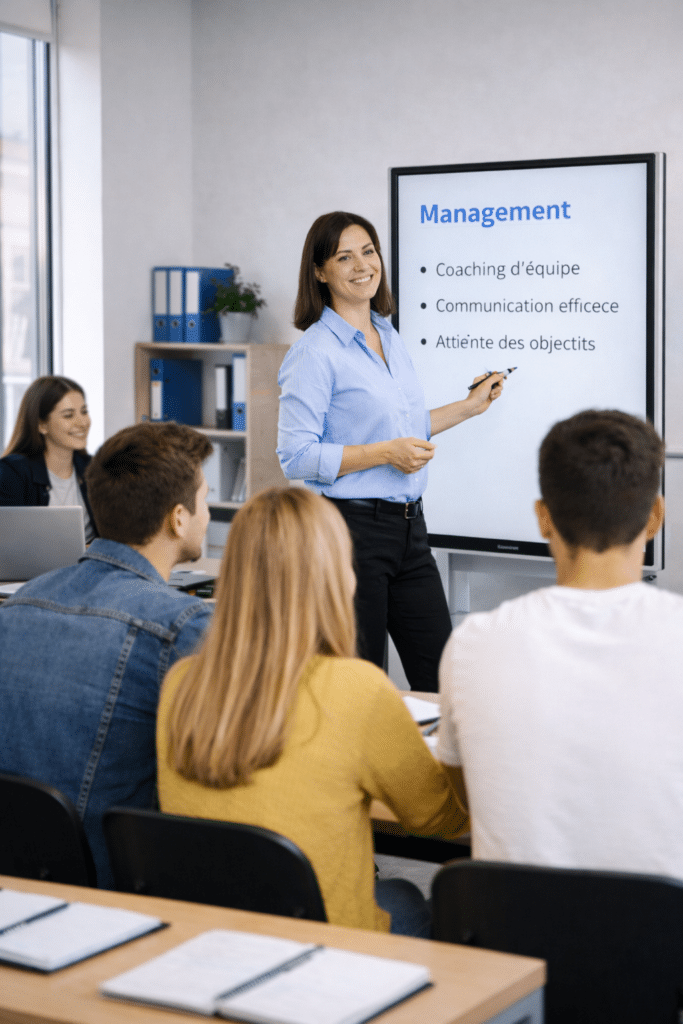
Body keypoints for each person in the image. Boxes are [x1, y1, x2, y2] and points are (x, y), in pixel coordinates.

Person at [156, 487, 468, 935]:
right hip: (325, 951)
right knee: (422, 901)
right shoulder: (356, 689)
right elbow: (440, 819)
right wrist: (465, 741)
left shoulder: (181, 683)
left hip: (214, 938)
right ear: (334, 575)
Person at [436, 409, 683, 880]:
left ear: (542, 518)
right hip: (660, 947)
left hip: (510, 940)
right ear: (656, 516)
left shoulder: (473, 644)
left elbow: (463, 798)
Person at [277, 211, 504, 691]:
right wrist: (384, 454)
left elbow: (405, 429)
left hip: (409, 532)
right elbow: (296, 455)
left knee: (444, 681)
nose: (362, 265)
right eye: (344, 256)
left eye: (369, 251)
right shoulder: (315, 352)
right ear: (320, 272)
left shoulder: (389, 335)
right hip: (350, 534)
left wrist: (468, 407)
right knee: (360, 687)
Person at [0, 421, 214, 888]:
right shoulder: (183, 627)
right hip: (119, 886)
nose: (208, 514)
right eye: (204, 499)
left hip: (18, 883)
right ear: (178, 518)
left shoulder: (18, 604)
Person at [0, 375, 97, 541]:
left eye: (84, 412)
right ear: (41, 425)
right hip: (35, 567)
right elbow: (10, 545)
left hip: (91, 565)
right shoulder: (12, 473)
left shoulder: (96, 469)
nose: (82, 423)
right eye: (68, 415)